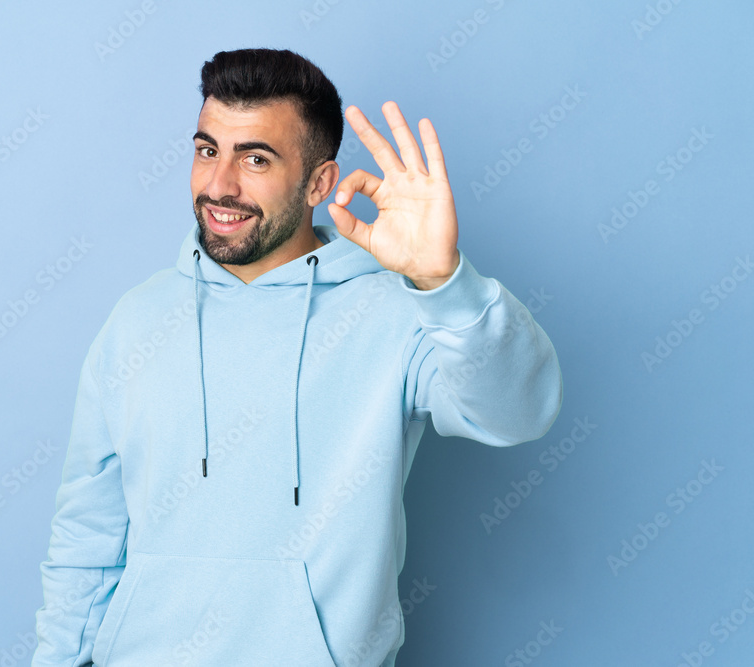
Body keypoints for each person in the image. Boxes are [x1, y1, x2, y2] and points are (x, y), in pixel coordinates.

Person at [31, 47, 562, 667]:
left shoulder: (395, 313)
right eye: (208, 150)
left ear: (319, 183)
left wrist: (445, 282)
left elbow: (518, 413)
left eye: (255, 158)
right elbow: (87, 537)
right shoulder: (136, 321)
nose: (219, 185)